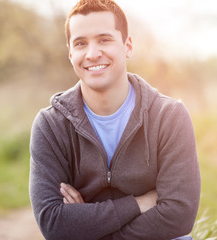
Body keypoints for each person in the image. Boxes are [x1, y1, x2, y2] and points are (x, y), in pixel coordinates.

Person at [29, 0, 201, 239]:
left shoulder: (169, 116)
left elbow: (178, 216)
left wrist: (86, 226)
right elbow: (53, 223)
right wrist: (140, 204)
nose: (92, 53)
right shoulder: (50, 125)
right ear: (70, 53)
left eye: (104, 39)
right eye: (81, 43)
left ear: (127, 46)